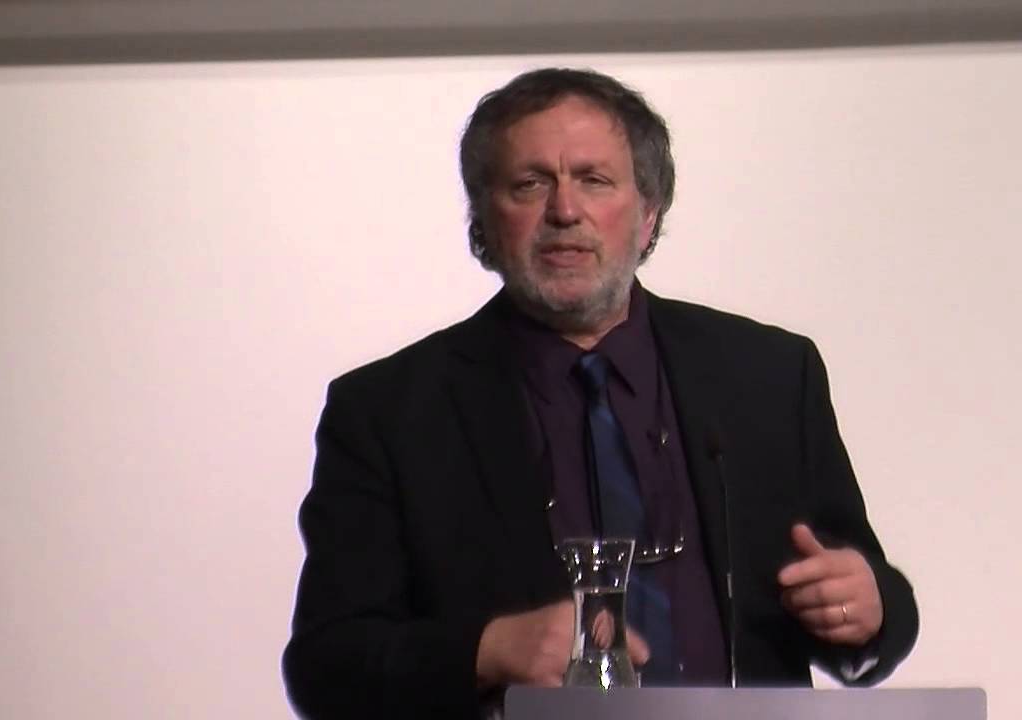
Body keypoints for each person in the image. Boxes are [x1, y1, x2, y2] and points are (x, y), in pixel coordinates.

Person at [283, 67, 918, 719]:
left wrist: (869, 609)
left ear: (648, 214)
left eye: (594, 180)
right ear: (482, 219)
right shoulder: (390, 411)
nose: (564, 211)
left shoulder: (769, 375)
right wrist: (487, 649)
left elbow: (863, 591)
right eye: (530, 184)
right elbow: (326, 668)